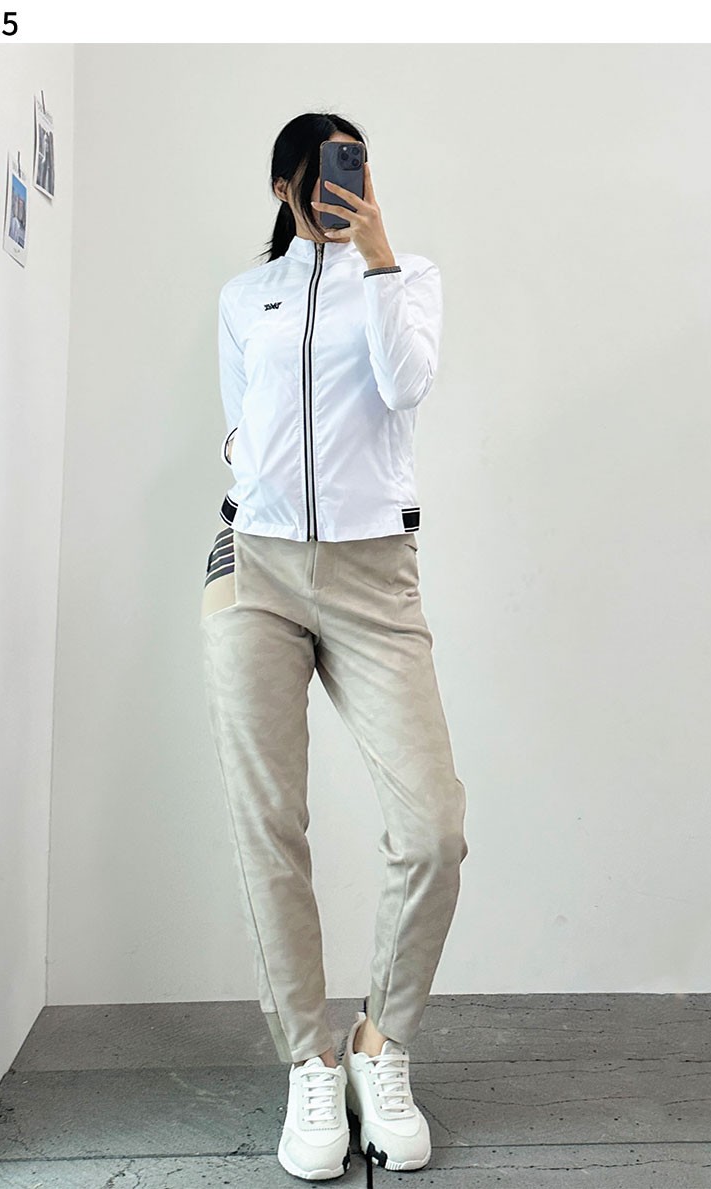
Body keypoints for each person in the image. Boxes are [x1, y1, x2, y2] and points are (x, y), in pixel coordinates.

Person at [199, 111, 469, 1185]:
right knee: (268, 822)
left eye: (353, 167)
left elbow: (405, 385)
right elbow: (239, 423)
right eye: (319, 172)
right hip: (254, 568)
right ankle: (310, 1060)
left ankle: (378, 1043)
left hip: (372, 575)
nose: (337, 187)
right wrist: (248, 486)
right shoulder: (243, 297)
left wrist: (379, 255)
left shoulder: (406, 277)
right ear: (284, 185)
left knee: (433, 827)